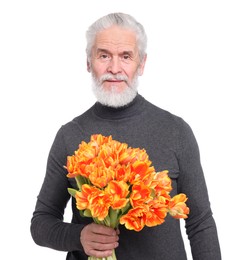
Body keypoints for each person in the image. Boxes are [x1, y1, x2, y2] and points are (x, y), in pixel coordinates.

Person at [30, 12, 221, 260]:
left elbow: (200, 223)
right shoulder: (70, 136)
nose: (114, 68)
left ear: (141, 64)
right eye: (104, 55)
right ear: (89, 62)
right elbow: (41, 223)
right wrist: (78, 236)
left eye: (126, 56)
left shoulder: (176, 131)